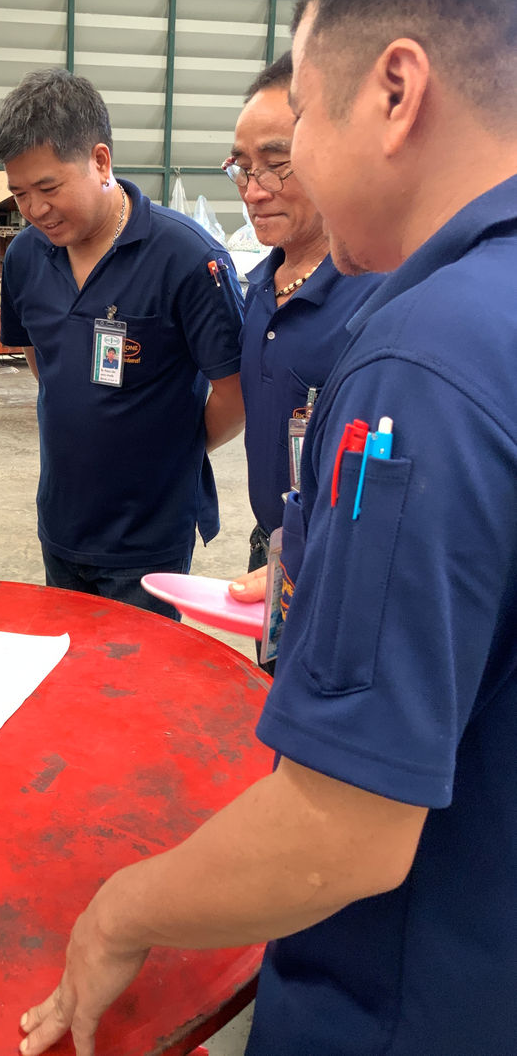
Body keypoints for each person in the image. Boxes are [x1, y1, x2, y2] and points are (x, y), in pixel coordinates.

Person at [16, 0, 517, 1056]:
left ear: (393, 91)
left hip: (402, 997)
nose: (272, 180)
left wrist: (119, 911)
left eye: (297, 128)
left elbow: (343, 830)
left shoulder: (417, 354)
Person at [0, 69, 245, 619]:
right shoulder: (25, 257)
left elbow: (235, 391)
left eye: (48, 188)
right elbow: (42, 359)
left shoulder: (187, 258)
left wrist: (167, 451)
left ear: (100, 161)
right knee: (67, 659)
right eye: (19, 194)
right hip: (62, 521)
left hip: (148, 535)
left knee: (139, 666)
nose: (34, 209)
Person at [224, 53, 380, 668]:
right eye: (242, 167)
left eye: (276, 162)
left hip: (340, 568)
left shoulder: (375, 294)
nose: (253, 190)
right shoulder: (261, 286)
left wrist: (314, 556)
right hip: (272, 550)